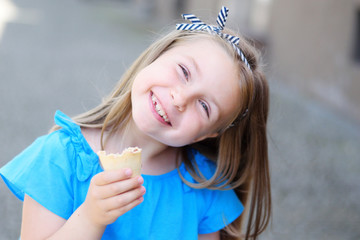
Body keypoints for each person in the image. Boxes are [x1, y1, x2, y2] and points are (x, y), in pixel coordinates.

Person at [0, 6, 271, 240]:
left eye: (204, 106)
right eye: (184, 71)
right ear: (159, 54)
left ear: (208, 134)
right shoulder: (59, 158)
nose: (180, 98)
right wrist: (90, 218)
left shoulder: (204, 186)